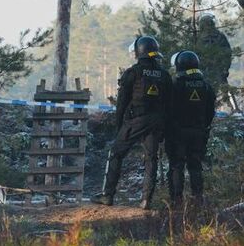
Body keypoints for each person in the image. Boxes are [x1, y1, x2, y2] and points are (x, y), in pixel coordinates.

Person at [92, 35, 173, 210]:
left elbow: (122, 102)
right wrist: (164, 128)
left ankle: (108, 195)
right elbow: (170, 104)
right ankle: (146, 200)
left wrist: (119, 125)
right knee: (151, 159)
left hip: (135, 121)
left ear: (139, 52)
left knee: (116, 153)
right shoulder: (164, 75)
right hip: (156, 123)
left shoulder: (133, 73)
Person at [166, 50, 216, 206]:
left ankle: (176, 201)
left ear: (179, 65)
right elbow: (210, 112)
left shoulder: (175, 85)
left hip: (178, 132)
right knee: (195, 166)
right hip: (199, 132)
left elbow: (168, 109)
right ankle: (198, 198)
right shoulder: (206, 86)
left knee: (176, 165)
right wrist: (203, 127)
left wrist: (168, 129)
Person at [196, 13, 232, 102]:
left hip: (218, 69)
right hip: (204, 70)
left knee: (224, 92)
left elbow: (227, 54)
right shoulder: (198, 38)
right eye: (207, 24)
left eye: (210, 24)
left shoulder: (220, 37)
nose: (209, 26)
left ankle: (230, 105)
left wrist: (225, 68)